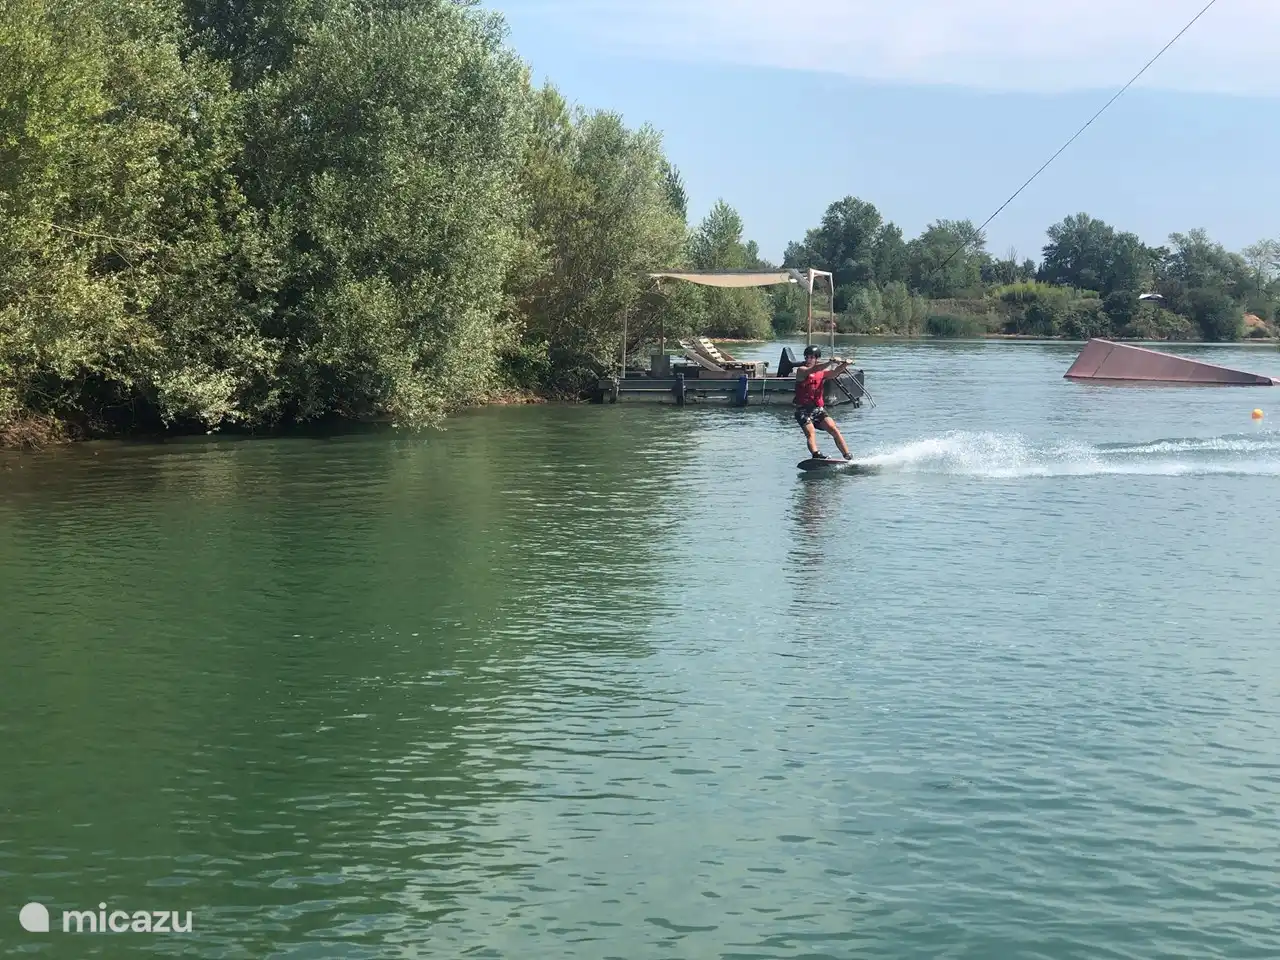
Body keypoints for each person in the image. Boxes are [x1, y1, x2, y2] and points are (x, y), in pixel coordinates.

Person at [793, 345, 853, 460]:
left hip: (817, 409)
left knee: (834, 429)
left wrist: (845, 364)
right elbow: (813, 370)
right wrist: (829, 362)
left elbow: (835, 373)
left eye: (811, 357)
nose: (808, 360)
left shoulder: (822, 373)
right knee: (810, 433)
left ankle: (847, 455)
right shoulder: (801, 370)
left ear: (816, 358)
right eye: (807, 357)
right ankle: (816, 455)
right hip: (803, 410)